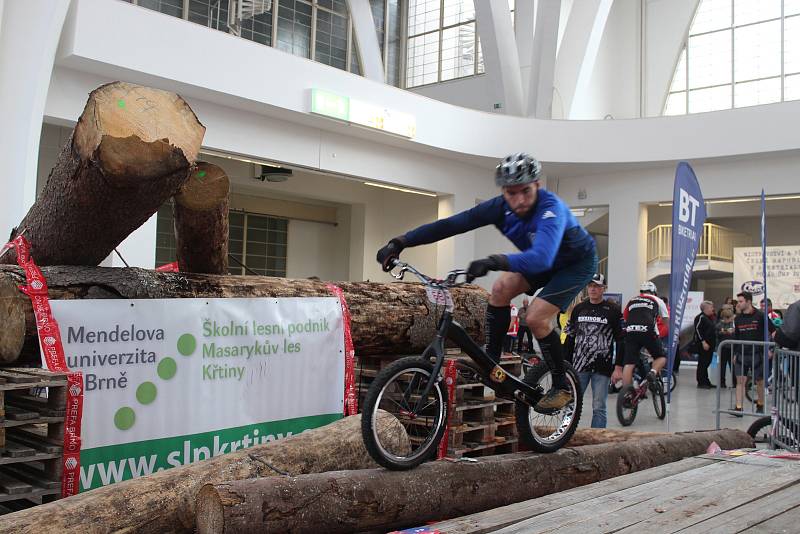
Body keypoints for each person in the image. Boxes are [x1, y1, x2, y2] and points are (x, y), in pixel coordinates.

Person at [376, 153, 597, 411]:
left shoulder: (551, 209)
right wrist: (401, 242)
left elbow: (541, 257)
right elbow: (452, 224)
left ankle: (561, 385)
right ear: (504, 191)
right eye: (511, 193)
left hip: (574, 264)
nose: (520, 200)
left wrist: (493, 261)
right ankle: (491, 359)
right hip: (540, 260)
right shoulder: (498, 208)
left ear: (537, 185)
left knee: (536, 317)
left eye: (526, 191)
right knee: (500, 289)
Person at [564, 273, 624, 428]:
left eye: (597, 286)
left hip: (602, 367)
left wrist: (618, 368)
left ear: (604, 289)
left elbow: (621, 340)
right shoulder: (579, 309)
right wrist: (565, 365)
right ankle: (565, 435)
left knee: (599, 407)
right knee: (572, 402)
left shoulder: (613, 310)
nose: (593, 289)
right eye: (590, 286)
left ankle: (597, 440)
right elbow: (570, 338)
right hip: (579, 366)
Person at [612, 281, 669, 388]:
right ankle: (652, 373)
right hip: (647, 330)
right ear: (654, 292)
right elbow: (666, 321)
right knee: (661, 357)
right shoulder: (658, 300)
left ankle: (626, 394)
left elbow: (625, 318)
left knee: (629, 364)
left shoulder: (632, 300)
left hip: (631, 331)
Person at [733, 291, 775, 414]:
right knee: (740, 381)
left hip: (758, 354)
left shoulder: (760, 316)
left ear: (748, 302)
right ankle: (738, 408)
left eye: (741, 301)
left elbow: (773, 331)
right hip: (741, 354)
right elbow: (737, 336)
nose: (739, 304)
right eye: (738, 302)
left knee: (759, 381)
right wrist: (735, 354)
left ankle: (760, 405)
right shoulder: (738, 319)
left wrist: (770, 348)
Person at [692, 301, 716, 389]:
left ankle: (706, 381)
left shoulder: (710, 318)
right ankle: (701, 382)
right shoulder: (700, 317)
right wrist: (703, 341)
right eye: (711, 307)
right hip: (703, 345)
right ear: (705, 308)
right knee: (703, 363)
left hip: (710, 344)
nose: (712, 309)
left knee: (707, 362)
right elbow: (697, 330)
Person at [715, 306, 736, 388]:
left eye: (729, 318)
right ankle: (722, 383)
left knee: (733, 366)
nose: (728, 320)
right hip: (723, 348)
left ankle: (735, 382)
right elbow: (717, 334)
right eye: (726, 318)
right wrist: (724, 332)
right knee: (722, 366)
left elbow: (736, 334)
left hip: (732, 348)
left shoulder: (734, 324)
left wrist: (732, 332)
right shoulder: (719, 325)